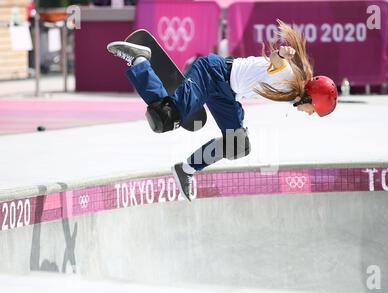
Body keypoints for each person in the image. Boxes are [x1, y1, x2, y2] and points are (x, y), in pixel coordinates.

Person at [107, 20, 337, 201]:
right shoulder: (288, 76)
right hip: (213, 74)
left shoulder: (295, 93)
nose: (309, 114)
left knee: (238, 144)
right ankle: (139, 60)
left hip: (228, 94)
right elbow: (277, 62)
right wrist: (281, 54)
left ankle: (185, 169)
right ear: (312, 97)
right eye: (313, 110)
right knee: (164, 119)